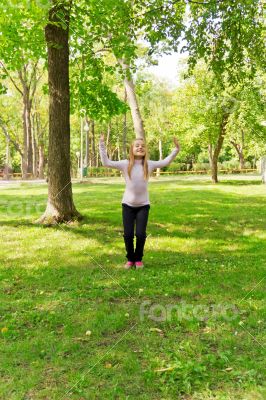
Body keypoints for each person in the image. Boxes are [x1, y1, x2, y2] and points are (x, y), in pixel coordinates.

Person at [99, 134, 180, 270]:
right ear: (132, 149)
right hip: (127, 205)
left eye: (142, 146)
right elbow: (106, 163)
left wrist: (176, 150)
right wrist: (101, 144)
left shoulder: (149, 164)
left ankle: (138, 259)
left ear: (146, 150)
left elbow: (165, 162)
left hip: (143, 205)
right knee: (128, 234)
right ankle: (130, 259)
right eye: (137, 145)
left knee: (141, 234)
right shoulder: (125, 164)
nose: (140, 147)